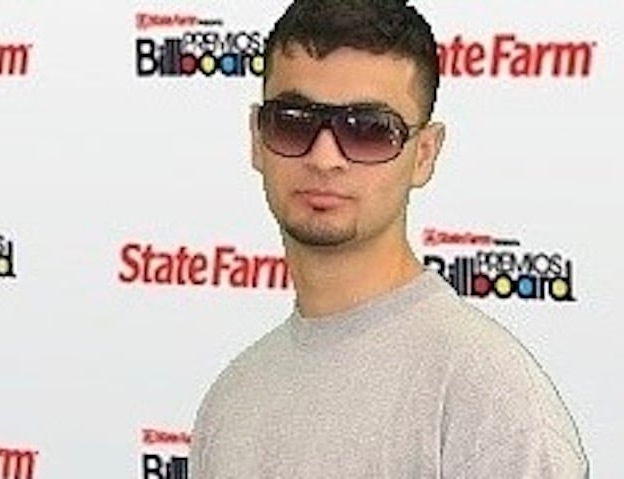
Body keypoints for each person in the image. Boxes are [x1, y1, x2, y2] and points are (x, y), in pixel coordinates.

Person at [189, 0, 589, 477]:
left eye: (369, 131)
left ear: (424, 154)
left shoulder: (488, 400)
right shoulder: (231, 401)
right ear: (257, 138)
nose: (324, 158)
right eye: (293, 121)